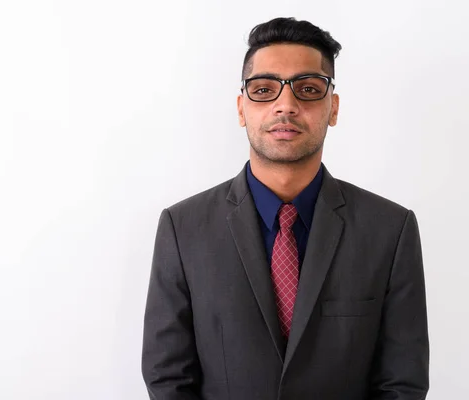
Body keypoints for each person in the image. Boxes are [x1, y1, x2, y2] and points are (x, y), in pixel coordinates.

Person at [141, 17, 429, 400]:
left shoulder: (390, 230)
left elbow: (402, 382)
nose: (286, 105)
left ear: (333, 108)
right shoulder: (183, 227)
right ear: (242, 108)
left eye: (309, 89)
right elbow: (167, 377)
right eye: (264, 89)